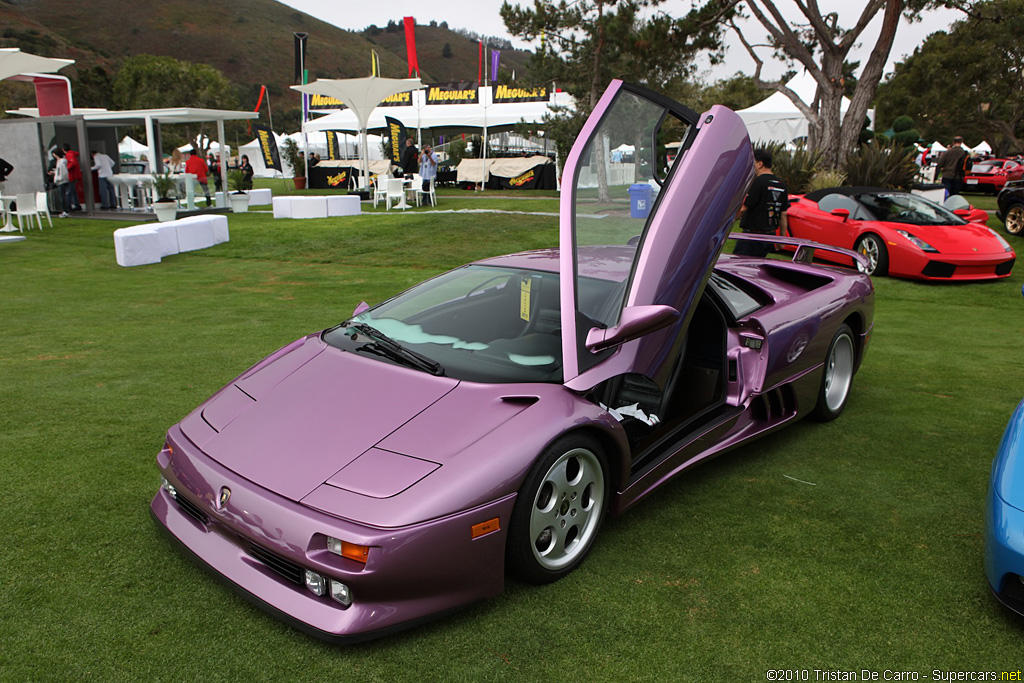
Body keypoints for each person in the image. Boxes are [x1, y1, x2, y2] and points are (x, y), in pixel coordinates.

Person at [734, 149, 789, 258]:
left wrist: (727, 223)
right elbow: (783, 215)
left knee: (737, 265)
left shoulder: (758, 182)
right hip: (769, 237)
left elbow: (743, 208)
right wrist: (781, 238)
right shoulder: (781, 185)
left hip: (752, 237)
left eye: (753, 162)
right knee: (756, 266)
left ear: (760, 164)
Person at [62, 143, 82, 211]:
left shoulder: (69, 155)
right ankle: (76, 204)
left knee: (69, 191)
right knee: (72, 191)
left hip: (72, 175)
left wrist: (66, 168)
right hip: (74, 175)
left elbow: (72, 163)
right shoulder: (72, 154)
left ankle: (69, 206)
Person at [53, 148, 71, 218]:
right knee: (63, 196)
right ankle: (66, 210)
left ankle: (65, 211)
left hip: (62, 181)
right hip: (62, 181)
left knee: (62, 197)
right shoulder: (60, 162)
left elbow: (64, 172)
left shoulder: (61, 162)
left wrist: (58, 179)